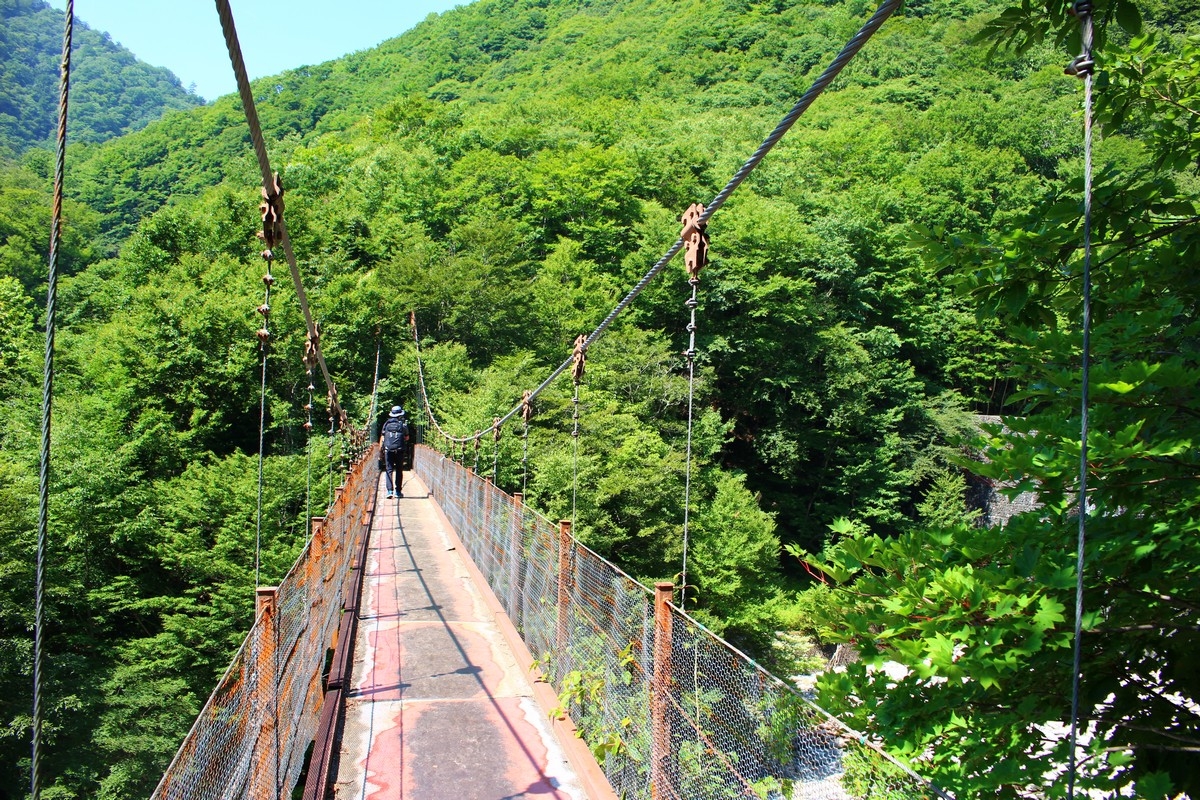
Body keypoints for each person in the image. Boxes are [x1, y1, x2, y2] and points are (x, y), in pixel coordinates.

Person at [380, 405, 409, 498]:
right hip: (399, 451)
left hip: (388, 450)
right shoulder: (403, 425)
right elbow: (407, 438)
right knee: (399, 470)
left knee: (389, 470)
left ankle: (389, 491)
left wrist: (381, 451)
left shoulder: (386, 424)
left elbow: (383, 437)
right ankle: (398, 492)